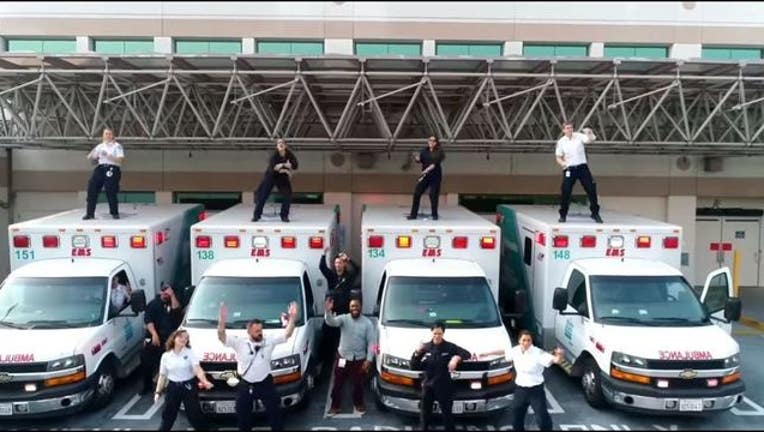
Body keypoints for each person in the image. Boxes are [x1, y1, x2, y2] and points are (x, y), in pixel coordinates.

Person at [217, 301, 298, 432]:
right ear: (249, 331)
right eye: (256, 331)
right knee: (243, 415)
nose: (260, 333)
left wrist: (292, 318)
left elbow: (287, 334)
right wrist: (222, 320)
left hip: (265, 382)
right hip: (246, 384)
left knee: (275, 413)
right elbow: (222, 337)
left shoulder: (268, 340)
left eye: (261, 330)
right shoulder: (240, 342)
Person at [487, 330, 563, 431]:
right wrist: (485, 354)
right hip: (521, 390)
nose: (526, 343)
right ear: (519, 341)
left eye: (528, 340)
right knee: (516, 415)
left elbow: (556, 360)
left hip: (536, 391)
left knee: (541, 417)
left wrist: (559, 355)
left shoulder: (538, 352)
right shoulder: (516, 351)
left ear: (531, 341)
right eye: (524, 340)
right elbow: (503, 352)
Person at [410, 321, 472, 431]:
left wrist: (456, 358)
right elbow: (414, 366)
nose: (437, 336)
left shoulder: (449, 347)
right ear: (431, 332)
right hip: (428, 385)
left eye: (439, 333)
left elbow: (467, 354)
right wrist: (417, 352)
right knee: (425, 413)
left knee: (447, 413)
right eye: (435, 333)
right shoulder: (426, 347)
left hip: (444, 385)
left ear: (443, 333)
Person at [324, 297, 376, 415]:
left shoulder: (367, 323)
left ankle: (359, 403)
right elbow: (331, 322)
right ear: (349, 308)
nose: (354, 308)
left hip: (359, 359)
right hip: (343, 357)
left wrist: (369, 360)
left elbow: (372, 343)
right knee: (338, 383)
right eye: (352, 306)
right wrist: (327, 311)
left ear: (361, 307)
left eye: (357, 306)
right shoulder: (344, 318)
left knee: (358, 383)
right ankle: (335, 406)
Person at [154, 329, 214, 431]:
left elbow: (197, 369)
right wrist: (157, 392)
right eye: (181, 337)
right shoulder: (166, 356)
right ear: (174, 338)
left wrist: (204, 381)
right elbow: (162, 375)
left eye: (186, 338)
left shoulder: (190, 353)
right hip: (173, 387)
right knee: (168, 415)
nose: (184, 339)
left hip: (188, 386)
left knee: (194, 415)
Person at [555, 122, 603, 224]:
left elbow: (590, 140)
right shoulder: (561, 142)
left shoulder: (579, 136)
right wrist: (563, 164)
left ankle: (595, 213)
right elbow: (558, 157)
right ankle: (563, 215)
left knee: (591, 189)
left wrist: (589, 132)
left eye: (571, 128)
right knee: (566, 191)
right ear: (563, 130)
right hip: (570, 169)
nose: (570, 130)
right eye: (567, 128)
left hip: (582, 167)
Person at [318, 248, 360, 363]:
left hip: (344, 312)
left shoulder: (348, 277)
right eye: (336, 263)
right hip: (332, 311)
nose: (338, 265)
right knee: (326, 335)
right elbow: (322, 267)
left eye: (340, 263)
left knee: (343, 338)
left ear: (344, 264)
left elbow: (357, 269)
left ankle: (343, 360)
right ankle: (324, 360)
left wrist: (348, 259)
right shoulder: (331, 276)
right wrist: (323, 254)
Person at [141, 283, 183, 395]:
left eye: (167, 290)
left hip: (169, 339)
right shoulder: (153, 304)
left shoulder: (173, 302)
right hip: (155, 336)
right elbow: (148, 320)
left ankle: (171, 386)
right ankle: (147, 386)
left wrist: (172, 295)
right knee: (145, 359)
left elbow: (177, 312)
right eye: (163, 290)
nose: (165, 293)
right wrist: (154, 334)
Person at [252, 138, 298, 223]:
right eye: (279, 143)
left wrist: (285, 166)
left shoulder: (289, 154)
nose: (280, 144)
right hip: (271, 177)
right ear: (277, 146)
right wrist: (285, 167)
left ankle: (284, 216)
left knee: (288, 195)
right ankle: (256, 215)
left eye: (282, 143)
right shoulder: (274, 155)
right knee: (262, 196)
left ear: (285, 145)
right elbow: (273, 169)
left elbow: (295, 165)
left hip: (282, 178)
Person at [84, 128, 124, 220]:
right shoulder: (100, 146)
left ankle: (114, 212)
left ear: (112, 135)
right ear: (103, 135)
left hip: (112, 167)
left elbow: (120, 160)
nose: (107, 136)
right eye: (106, 134)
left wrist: (108, 155)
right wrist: (93, 153)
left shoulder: (117, 146)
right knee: (92, 187)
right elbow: (91, 158)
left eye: (109, 134)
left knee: (110, 189)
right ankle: (90, 213)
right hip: (101, 167)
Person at [407, 136, 445, 220]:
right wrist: (417, 159)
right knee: (417, 192)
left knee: (433, 194)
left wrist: (425, 170)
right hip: (425, 176)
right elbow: (421, 160)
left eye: (433, 141)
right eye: (429, 140)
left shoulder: (439, 152)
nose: (431, 142)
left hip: (435, 176)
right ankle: (413, 214)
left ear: (436, 143)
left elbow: (433, 165)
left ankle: (434, 214)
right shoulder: (424, 151)